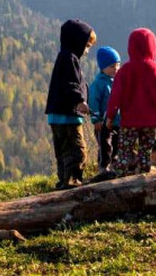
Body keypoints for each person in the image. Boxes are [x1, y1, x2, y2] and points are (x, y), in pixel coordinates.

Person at [105, 28, 156, 175]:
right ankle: (143, 176)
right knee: (145, 152)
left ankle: (121, 177)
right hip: (150, 122)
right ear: (153, 48)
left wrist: (110, 116)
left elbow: (115, 96)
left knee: (125, 152)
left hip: (129, 122)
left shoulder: (124, 71)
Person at [45, 19, 96, 189]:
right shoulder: (70, 59)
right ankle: (72, 182)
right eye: (87, 46)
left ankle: (63, 181)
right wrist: (80, 101)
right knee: (77, 151)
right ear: (77, 41)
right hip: (68, 115)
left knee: (63, 152)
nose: (87, 51)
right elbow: (71, 84)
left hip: (56, 115)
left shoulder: (64, 57)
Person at [88, 46, 121, 173]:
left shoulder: (117, 81)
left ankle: (114, 166)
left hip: (117, 122)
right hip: (102, 123)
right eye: (112, 66)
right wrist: (96, 119)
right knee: (105, 146)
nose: (116, 69)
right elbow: (93, 102)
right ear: (103, 67)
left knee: (117, 145)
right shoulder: (98, 84)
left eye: (117, 65)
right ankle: (103, 167)